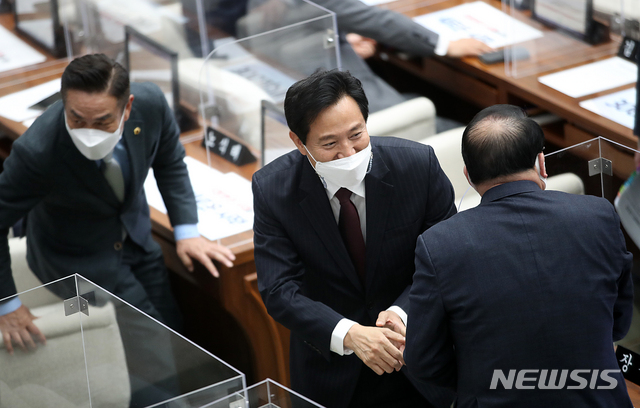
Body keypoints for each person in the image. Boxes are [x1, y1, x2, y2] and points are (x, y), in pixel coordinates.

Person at [0, 54, 236, 354]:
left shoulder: (151, 105)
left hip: (136, 241)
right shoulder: (37, 152)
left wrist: (187, 230)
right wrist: (6, 304)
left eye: (101, 122)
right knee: (150, 348)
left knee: (175, 331)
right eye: (76, 119)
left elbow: (170, 161)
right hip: (75, 264)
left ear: (128, 107)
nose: (88, 132)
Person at [405, 104, 634, 407]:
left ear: (468, 176)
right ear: (541, 162)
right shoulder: (599, 215)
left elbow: (424, 360)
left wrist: (478, 387)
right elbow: (618, 322)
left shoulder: (440, 245)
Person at [252, 69, 457, 408]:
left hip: (418, 356)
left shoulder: (417, 167)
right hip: (331, 371)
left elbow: (446, 257)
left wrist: (402, 313)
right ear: (299, 143)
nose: (347, 153)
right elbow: (279, 290)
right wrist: (350, 334)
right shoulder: (273, 190)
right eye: (329, 144)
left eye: (356, 135)